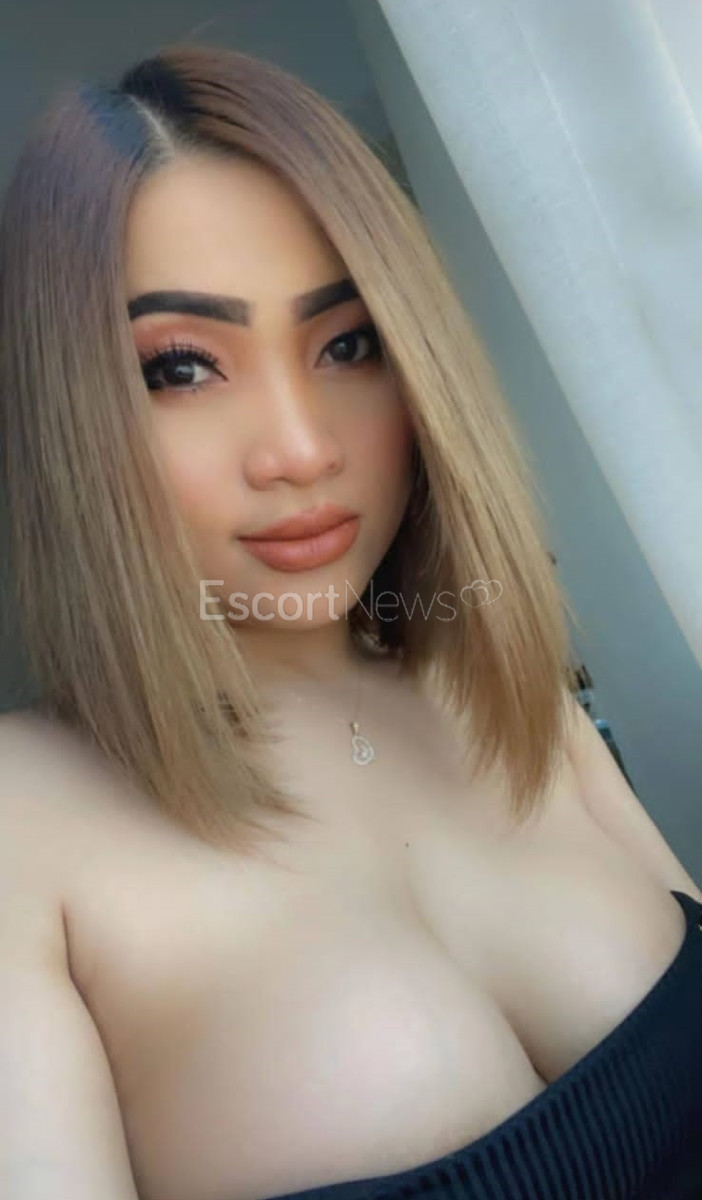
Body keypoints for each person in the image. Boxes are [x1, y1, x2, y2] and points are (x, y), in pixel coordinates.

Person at [1, 41, 701, 1200]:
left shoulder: (507, 689)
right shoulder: (23, 827)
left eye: (348, 344)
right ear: (70, 416)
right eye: (181, 369)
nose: (301, 449)